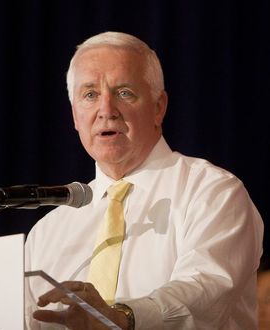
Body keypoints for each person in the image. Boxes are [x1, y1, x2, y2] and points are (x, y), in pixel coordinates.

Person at [24, 31, 264, 329]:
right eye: (90, 95)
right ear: (74, 115)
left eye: (124, 92)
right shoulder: (47, 232)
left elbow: (205, 290)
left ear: (158, 107)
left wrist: (122, 317)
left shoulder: (212, 192)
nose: (106, 111)